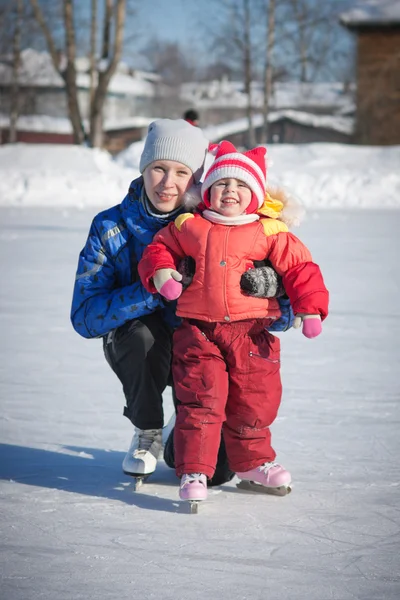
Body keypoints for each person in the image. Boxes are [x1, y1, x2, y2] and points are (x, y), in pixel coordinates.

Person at [70, 120, 283, 486]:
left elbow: (288, 306)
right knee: (140, 336)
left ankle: (182, 428)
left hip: (207, 349)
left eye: (182, 172)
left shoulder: (224, 224)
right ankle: (148, 428)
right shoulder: (109, 227)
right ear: (144, 168)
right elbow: (84, 317)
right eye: (158, 168)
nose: (168, 183)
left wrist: (271, 290)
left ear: (198, 178)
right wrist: (151, 289)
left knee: (214, 471)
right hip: (146, 347)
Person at [138, 140, 329, 502]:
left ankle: (253, 463)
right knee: (201, 399)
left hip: (252, 333)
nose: (231, 191)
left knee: (256, 399)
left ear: (256, 195)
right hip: (199, 332)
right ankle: (194, 469)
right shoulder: (189, 224)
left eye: (242, 185)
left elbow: (301, 267)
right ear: (207, 190)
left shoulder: (270, 231)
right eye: (222, 183)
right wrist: (161, 273)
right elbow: (157, 249)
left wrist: (309, 308)